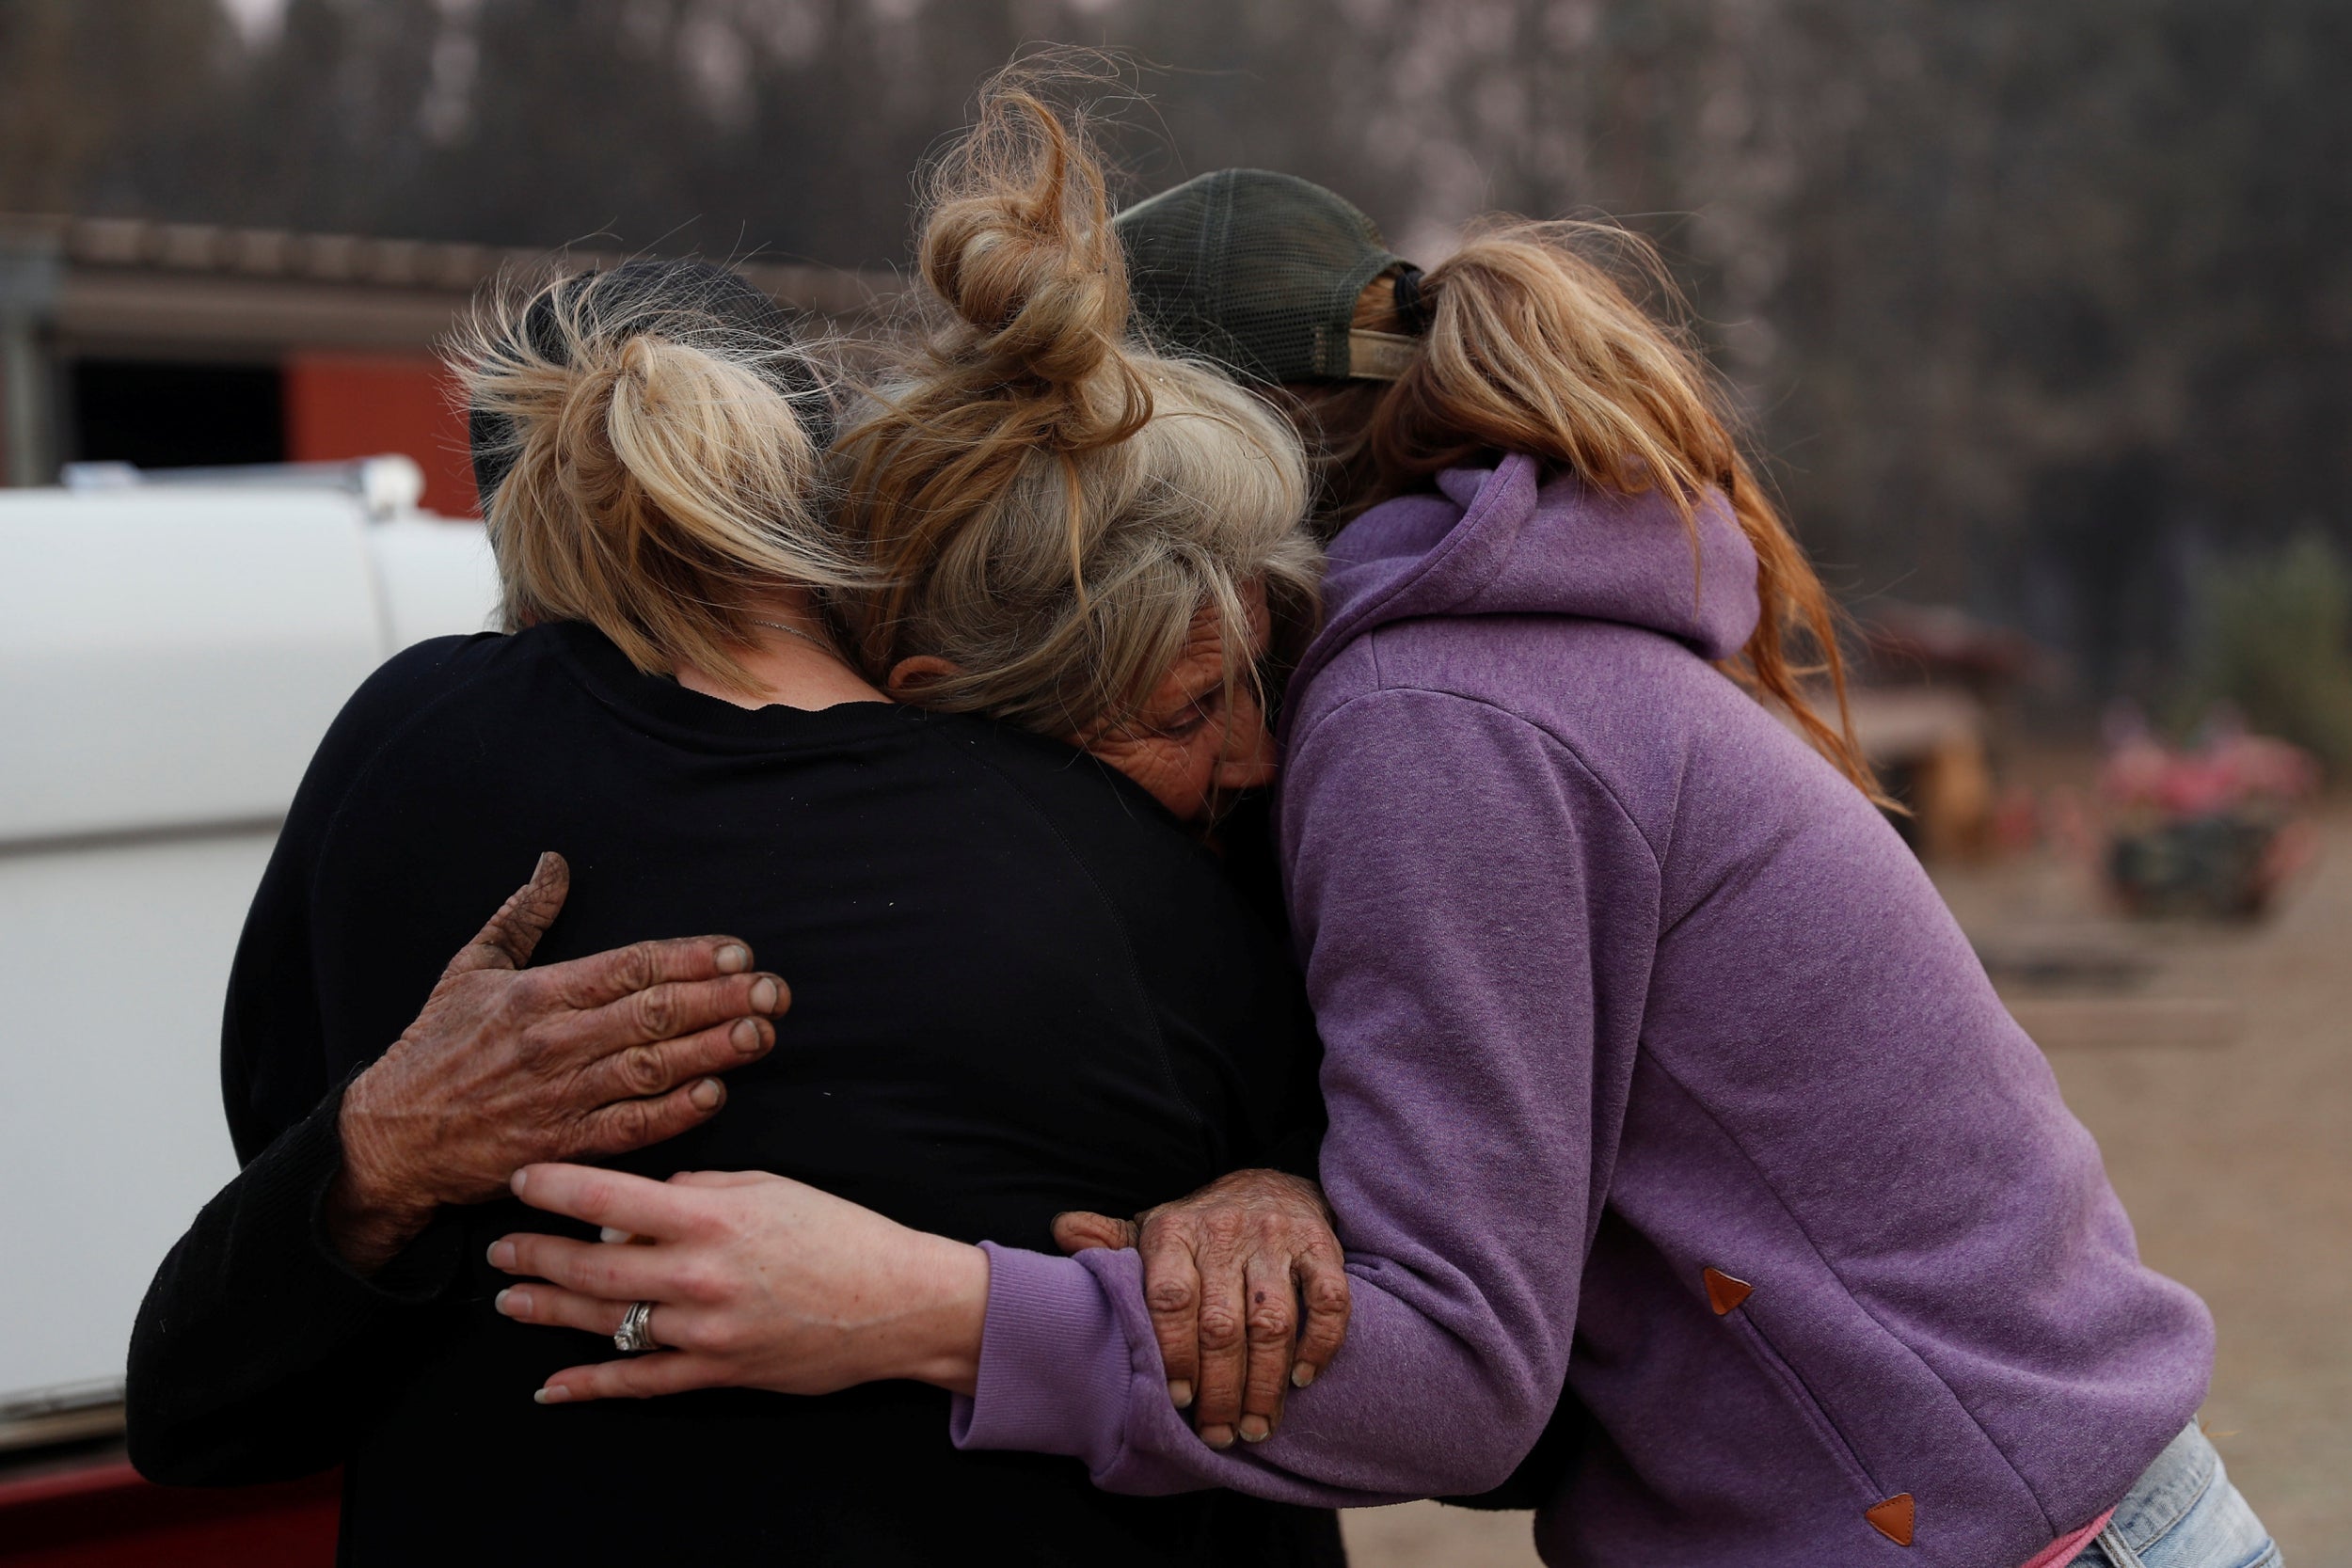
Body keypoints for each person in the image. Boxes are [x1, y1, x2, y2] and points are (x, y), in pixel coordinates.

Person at [490, 167, 2278, 1568]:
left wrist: (918, 1308)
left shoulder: (1436, 722)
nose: (1232, 753)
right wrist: (1278, 1173)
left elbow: (1455, 1380)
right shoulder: (1479, 660)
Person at [124, 241, 1347, 1566]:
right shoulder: (1112, 858)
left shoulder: (417, 757)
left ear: (519, 554)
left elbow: (204, 1402)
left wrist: (379, 1150)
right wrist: (1284, 1180)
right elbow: (1372, 1327)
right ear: (824, 495)